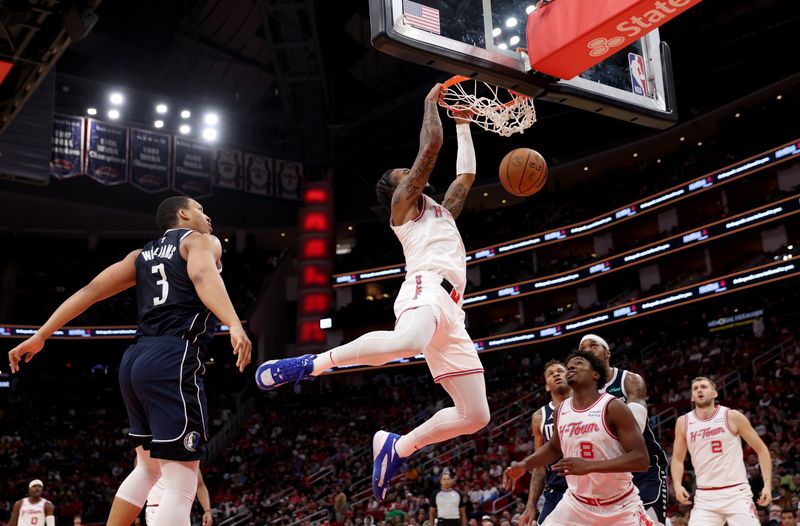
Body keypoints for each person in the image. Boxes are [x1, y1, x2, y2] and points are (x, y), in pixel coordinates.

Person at [255, 84, 490, 500]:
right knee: (408, 341)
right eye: (405, 172)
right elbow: (431, 146)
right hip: (426, 288)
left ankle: (397, 446)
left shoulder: (441, 213)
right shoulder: (403, 208)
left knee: (476, 415)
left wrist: (464, 126)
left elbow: (465, 177)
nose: (411, 171)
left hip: (452, 310)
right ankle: (312, 363)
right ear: (397, 189)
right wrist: (429, 104)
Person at [7, 196, 252, 526]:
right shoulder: (201, 242)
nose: (208, 217)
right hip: (173, 357)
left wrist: (42, 334)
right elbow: (203, 276)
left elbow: (90, 290)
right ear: (183, 214)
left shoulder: (140, 256)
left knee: (148, 468)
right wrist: (234, 323)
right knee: (181, 482)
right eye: (201, 210)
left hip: (135, 360)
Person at [502, 351, 652, 526]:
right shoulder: (561, 410)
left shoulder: (613, 406)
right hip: (576, 505)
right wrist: (525, 464)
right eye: (569, 366)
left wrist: (590, 466)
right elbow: (554, 448)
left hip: (620, 505)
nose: (571, 367)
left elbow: (641, 459)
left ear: (595, 374)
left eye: (579, 363)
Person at [578, 334, 669, 526]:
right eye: (583, 347)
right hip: (609, 475)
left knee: (649, 522)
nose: (587, 350)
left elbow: (637, 424)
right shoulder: (579, 394)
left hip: (643, 467)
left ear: (608, 352)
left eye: (593, 345)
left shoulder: (629, 380)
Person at [670, 376, 772, 526]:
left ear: (714, 393)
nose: (699, 390)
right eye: (695, 388)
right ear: (692, 396)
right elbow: (677, 459)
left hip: (736, 493)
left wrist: (767, 484)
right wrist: (677, 485)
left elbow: (762, 450)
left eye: (704, 387)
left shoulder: (732, 416)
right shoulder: (683, 422)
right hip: (705, 497)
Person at [519, 361, 571, 526]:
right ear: (547, 387)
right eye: (551, 373)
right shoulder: (539, 417)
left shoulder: (588, 404)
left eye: (560, 371)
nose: (556, 374)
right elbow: (539, 465)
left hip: (589, 487)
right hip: (557, 491)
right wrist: (530, 505)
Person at [145, 470, 213, 526]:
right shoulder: (146, 455)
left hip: (180, 510)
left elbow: (200, 485)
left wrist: (207, 510)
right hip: (156, 509)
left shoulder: (190, 455)